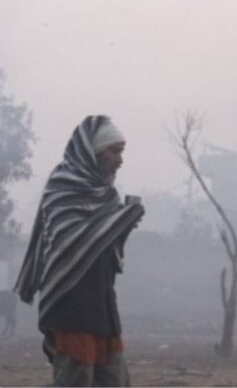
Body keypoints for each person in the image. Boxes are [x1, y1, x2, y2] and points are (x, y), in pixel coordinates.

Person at [14, 115, 145, 386]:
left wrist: (121, 225)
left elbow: (101, 246)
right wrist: (118, 221)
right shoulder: (63, 185)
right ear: (93, 152)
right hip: (71, 303)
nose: (120, 160)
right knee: (76, 379)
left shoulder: (107, 194)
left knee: (114, 380)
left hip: (102, 304)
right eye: (115, 152)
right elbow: (69, 243)